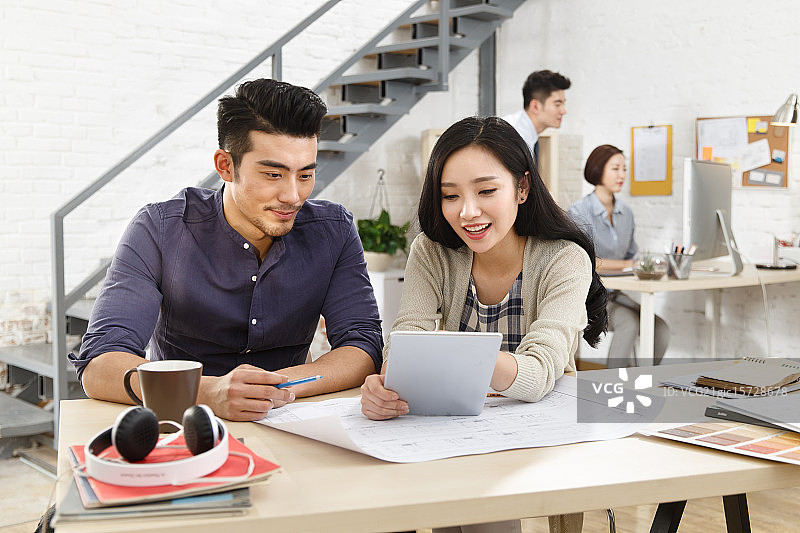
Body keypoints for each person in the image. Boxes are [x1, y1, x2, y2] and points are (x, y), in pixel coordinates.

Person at [70, 78, 384, 421]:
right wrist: (206, 392)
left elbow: (363, 343)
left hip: (290, 417)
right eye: (273, 175)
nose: (294, 196)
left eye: (305, 175)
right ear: (225, 166)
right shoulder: (160, 229)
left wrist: (273, 389)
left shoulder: (333, 231)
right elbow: (100, 363)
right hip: (177, 419)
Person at [360, 116, 607, 533]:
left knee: (481, 515)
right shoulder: (433, 250)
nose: (467, 212)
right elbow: (407, 341)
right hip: (454, 428)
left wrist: (449, 356)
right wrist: (386, 385)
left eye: (487, 191)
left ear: (523, 188)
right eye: (450, 196)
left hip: (534, 431)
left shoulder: (564, 258)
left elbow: (540, 372)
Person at [568, 144, 669, 367]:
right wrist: (624, 264)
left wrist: (651, 264)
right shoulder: (579, 212)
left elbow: (633, 257)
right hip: (589, 298)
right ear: (598, 169)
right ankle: (614, 387)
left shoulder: (626, 213)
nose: (622, 175)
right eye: (616, 169)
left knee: (659, 328)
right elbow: (582, 262)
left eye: (624, 169)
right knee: (629, 324)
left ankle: (641, 381)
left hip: (617, 296)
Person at [501, 70, 570, 161]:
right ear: (535, 106)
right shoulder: (512, 137)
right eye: (557, 104)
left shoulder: (527, 134)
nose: (563, 111)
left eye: (563, 104)